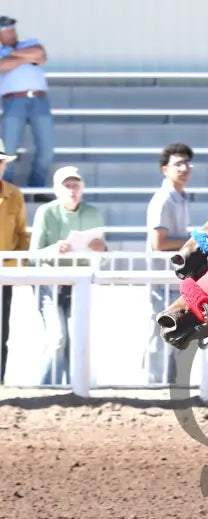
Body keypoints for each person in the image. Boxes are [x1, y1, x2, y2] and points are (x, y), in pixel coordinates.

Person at [29, 165, 106, 385]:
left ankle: (74, 389)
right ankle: (45, 389)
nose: (72, 190)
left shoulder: (93, 213)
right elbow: (33, 255)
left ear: (82, 188)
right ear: (56, 189)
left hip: (79, 283)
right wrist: (54, 249)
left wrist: (101, 249)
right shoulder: (45, 212)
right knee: (58, 338)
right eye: (67, 185)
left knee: (76, 338)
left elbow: (102, 257)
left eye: (76, 185)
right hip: (49, 283)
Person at [146, 142, 195, 384]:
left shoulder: (180, 197)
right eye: (178, 164)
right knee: (159, 335)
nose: (184, 168)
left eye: (187, 163)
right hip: (160, 281)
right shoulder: (163, 199)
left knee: (174, 334)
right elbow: (160, 242)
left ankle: (169, 384)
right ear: (165, 169)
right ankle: (155, 384)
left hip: (173, 280)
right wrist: (192, 241)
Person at [0, 17, 52, 189]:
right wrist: (26, 57)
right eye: (7, 31)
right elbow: (2, 66)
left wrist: (12, 55)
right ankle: (5, 191)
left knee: (46, 149)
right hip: (13, 101)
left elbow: (40, 55)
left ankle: (37, 188)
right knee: (8, 151)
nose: (12, 33)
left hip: (40, 100)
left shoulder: (30, 43)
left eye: (12, 29)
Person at [0, 139, 27, 384]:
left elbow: (21, 235)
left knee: (1, 333)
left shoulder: (14, 194)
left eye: (1, 162)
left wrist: (16, 268)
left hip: (4, 274)